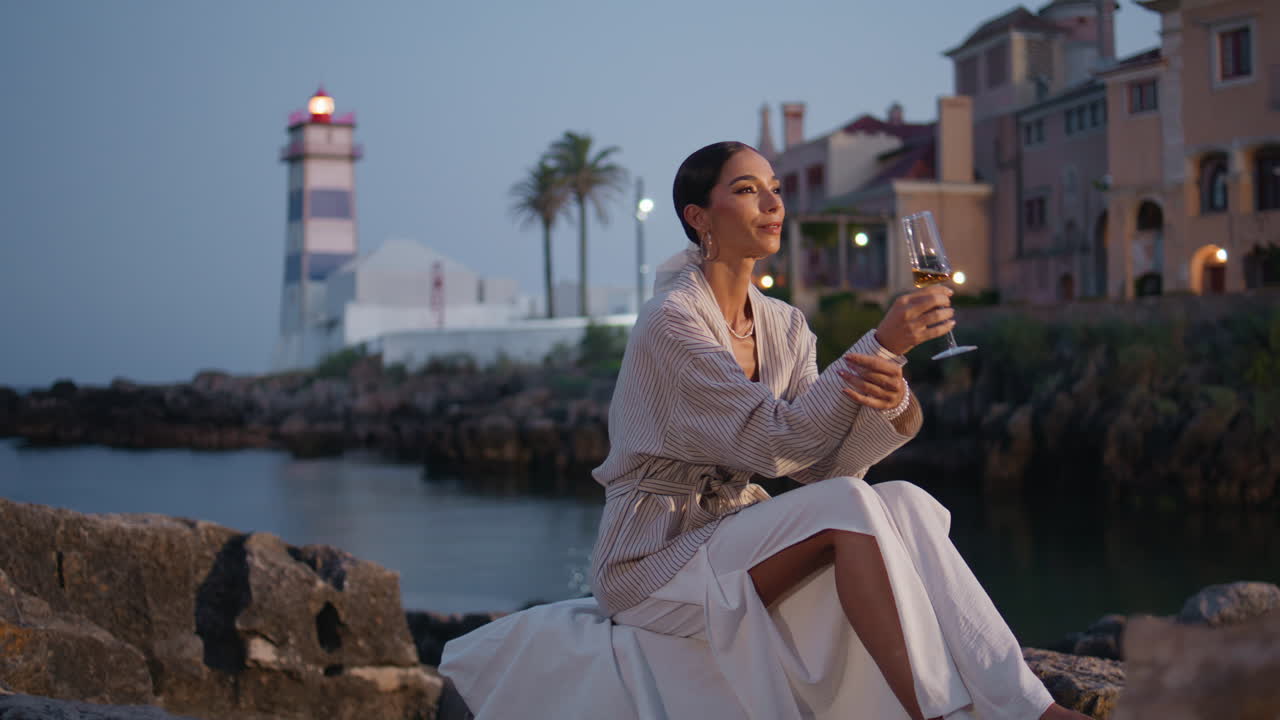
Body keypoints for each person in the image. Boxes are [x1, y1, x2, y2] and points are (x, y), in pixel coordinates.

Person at [441, 142, 1088, 720]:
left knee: (907, 503)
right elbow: (777, 442)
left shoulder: (785, 325)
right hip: (652, 555)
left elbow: (821, 469)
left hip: (734, 534)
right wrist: (881, 343)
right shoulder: (672, 321)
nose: (773, 203)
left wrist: (888, 403)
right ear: (699, 217)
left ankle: (1030, 709)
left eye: (775, 188)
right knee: (853, 504)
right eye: (748, 190)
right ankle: (934, 714)